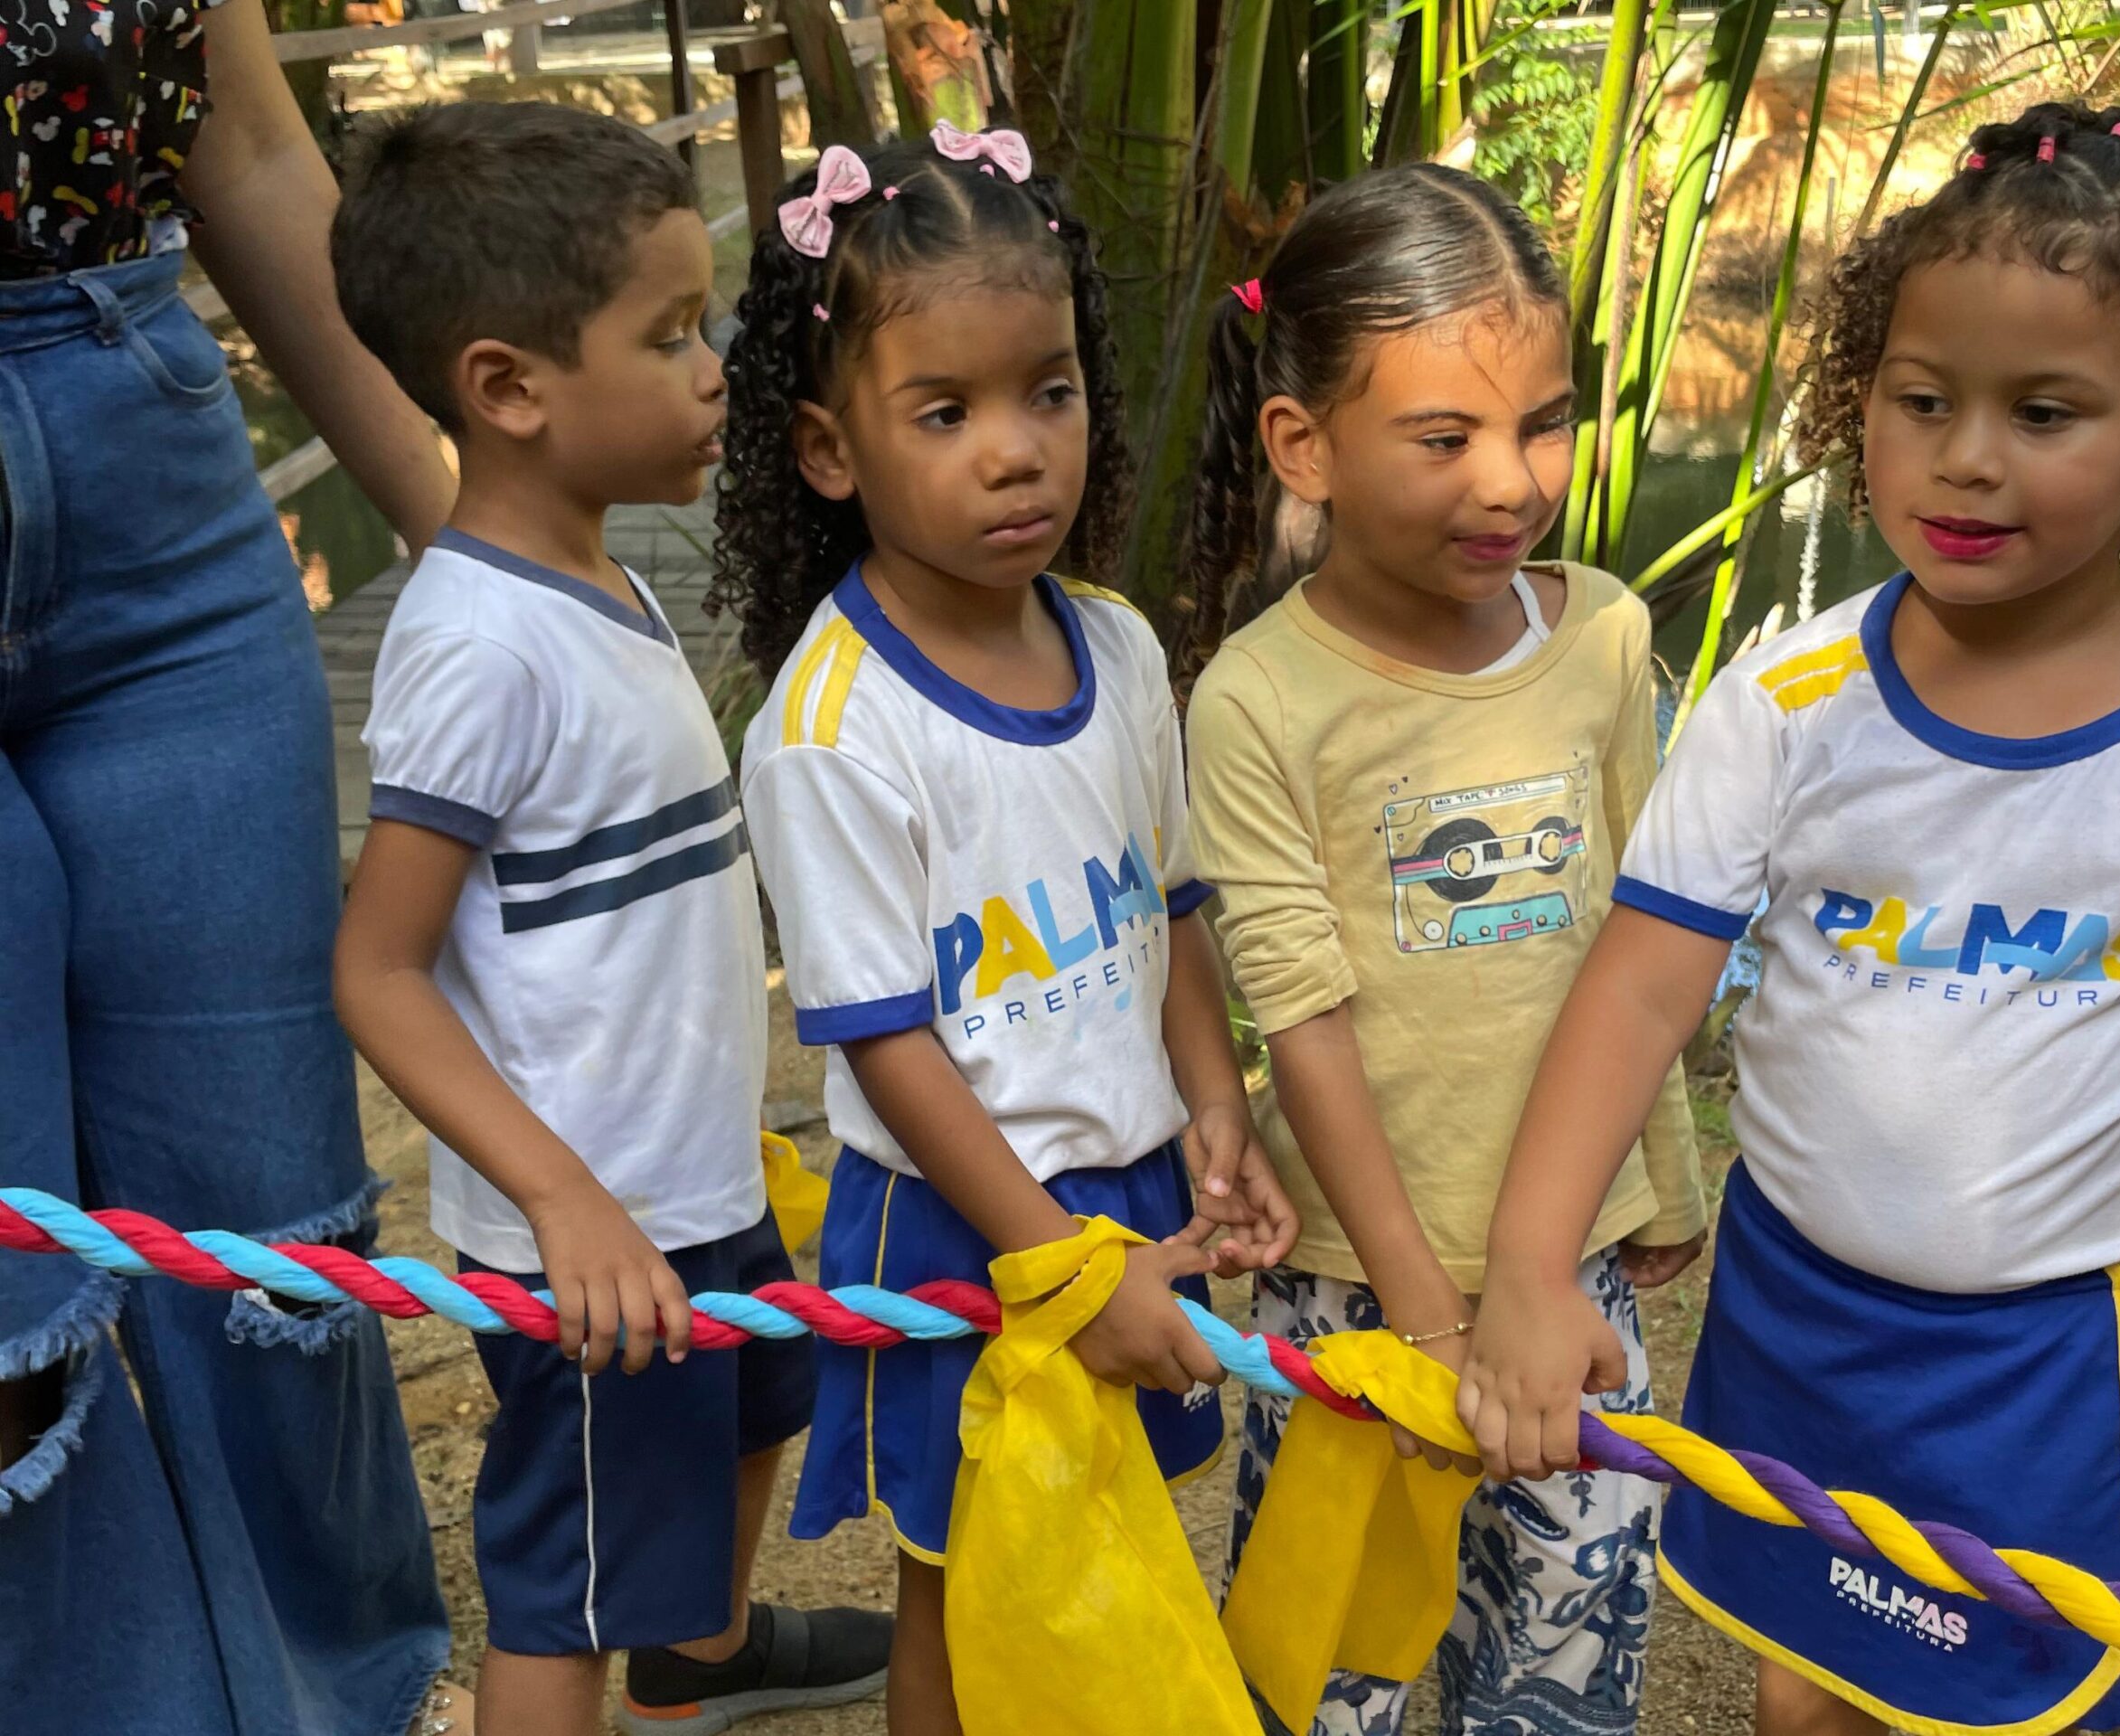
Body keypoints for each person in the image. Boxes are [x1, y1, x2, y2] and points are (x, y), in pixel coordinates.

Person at [1458, 101, 2120, 1736]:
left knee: (2030, 1694)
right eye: (1923, 401)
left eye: (2046, 411)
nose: (1967, 456)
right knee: (1818, 1680)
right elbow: (1641, 997)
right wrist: (1526, 1265)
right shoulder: (1788, 706)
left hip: (2061, 1340)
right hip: (1802, 1304)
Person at [713, 127, 1299, 1736]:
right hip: (962, 1221)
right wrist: (1050, 1258)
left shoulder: (1114, 648)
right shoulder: (832, 728)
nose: (1016, 451)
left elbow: (1171, 903)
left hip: (1128, 1188)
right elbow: (886, 1042)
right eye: (947, 412)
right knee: (964, 1563)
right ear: (832, 451)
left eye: (1050, 391)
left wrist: (1217, 1104)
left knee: (1102, 1526)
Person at [328, 103, 891, 1736]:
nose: (714, 364)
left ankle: (690, 1667)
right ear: (509, 387)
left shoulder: (594, 571)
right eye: (668, 335)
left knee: (752, 1404)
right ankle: (625, 1664)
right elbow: (376, 968)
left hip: (690, 1174)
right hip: (595, 1216)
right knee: (559, 1587)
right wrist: (565, 1201)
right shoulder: (480, 646)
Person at [1178, 164, 1708, 1736]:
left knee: (1561, 1659)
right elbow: (1307, 1021)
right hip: (1358, 1284)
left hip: (1584, 1264)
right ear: (1306, 447)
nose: (1510, 480)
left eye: (1543, 421)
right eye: (1444, 437)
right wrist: (1420, 1321)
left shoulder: (1607, 634)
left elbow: (1648, 934)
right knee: (1335, 1672)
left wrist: (1662, 1173)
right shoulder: (1258, 701)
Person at [0, 1, 463, 1731]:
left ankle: (340, 1705)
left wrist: (469, 528)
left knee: (271, 1228)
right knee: (9, 1299)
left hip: (147, 460)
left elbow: (255, 148)